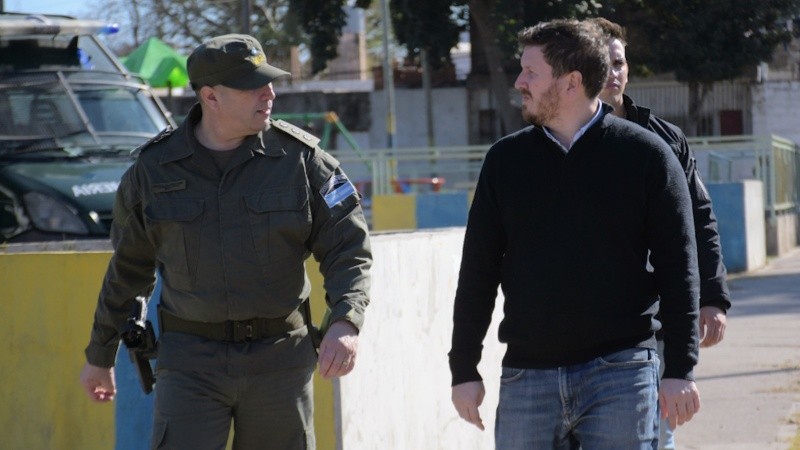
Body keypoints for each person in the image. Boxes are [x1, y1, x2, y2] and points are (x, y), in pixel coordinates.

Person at [79, 33, 372, 450]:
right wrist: (99, 355)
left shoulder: (303, 161)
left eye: (269, 81)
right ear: (211, 97)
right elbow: (128, 271)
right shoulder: (153, 171)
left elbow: (349, 247)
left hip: (279, 363)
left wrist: (346, 320)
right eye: (253, 85)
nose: (269, 93)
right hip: (189, 365)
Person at [449, 19, 701, 449]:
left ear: (571, 82)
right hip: (528, 377)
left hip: (622, 374)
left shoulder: (647, 156)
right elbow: (478, 270)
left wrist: (680, 368)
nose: (519, 82)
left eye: (531, 71)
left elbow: (680, 267)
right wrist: (464, 369)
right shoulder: (505, 162)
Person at [590, 17, 732, 449]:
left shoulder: (665, 139)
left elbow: (699, 219)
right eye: (605, 63)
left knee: (656, 433)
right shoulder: (558, 144)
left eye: (620, 62)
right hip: (583, 327)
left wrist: (712, 296)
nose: (614, 72)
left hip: (656, 322)